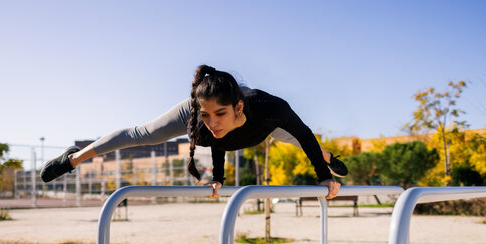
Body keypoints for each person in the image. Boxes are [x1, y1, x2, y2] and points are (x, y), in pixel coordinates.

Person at [40, 65, 346, 198]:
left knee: (295, 138)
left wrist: (324, 177)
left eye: (220, 114)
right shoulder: (203, 119)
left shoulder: (271, 107)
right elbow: (216, 138)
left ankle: (329, 157)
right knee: (144, 134)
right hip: (197, 110)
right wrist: (218, 178)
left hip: (259, 125)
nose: (213, 121)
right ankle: (74, 158)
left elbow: (305, 134)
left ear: (238, 106)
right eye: (208, 116)